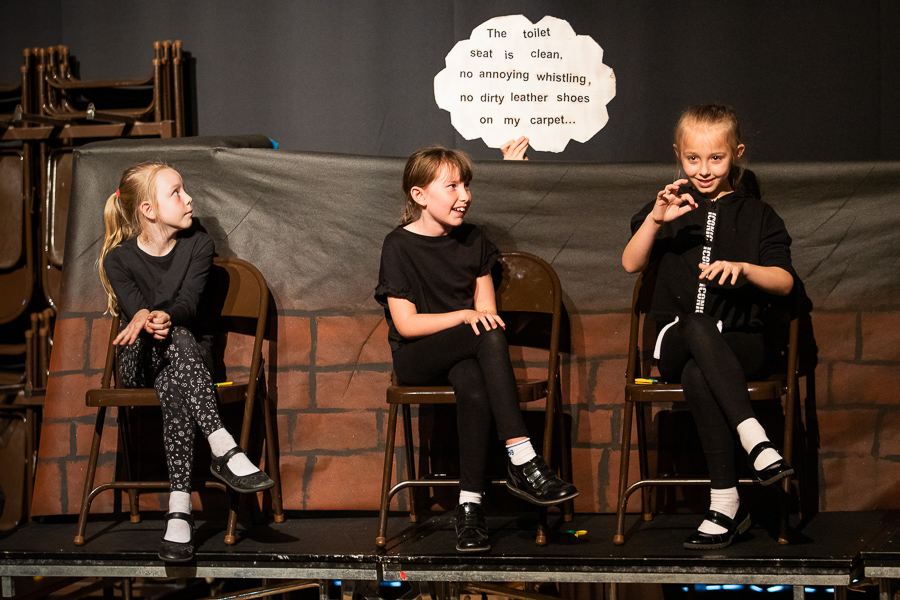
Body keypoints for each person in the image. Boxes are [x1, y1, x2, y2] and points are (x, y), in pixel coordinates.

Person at [375, 147, 577, 553]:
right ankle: (522, 456)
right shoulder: (398, 245)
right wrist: (463, 315)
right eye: (451, 185)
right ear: (420, 196)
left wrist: (473, 316)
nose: (464, 194)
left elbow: (488, 312)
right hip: (418, 357)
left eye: (466, 185)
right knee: (484, 332)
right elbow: (407, 325)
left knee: (473, 380)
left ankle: (469, 509)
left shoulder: (474, 241)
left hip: (464, 356)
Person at [621, 105, 795, 550]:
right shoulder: (669, 206)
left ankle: (724, 505)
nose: (703, 169)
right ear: (679, 154)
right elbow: (630, 263)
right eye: (692, 158)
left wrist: (745, 268)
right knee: (697, 327)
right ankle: (756, 439)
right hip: (675, 342)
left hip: (741, 342)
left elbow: (784, 281)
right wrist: (655, 220)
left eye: (715, 158)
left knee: (703, 372)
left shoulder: (758, 215)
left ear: (735, 154)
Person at [98, 162, 273, 563]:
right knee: (173, 342)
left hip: (189, 357)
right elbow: (136, 314)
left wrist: (158, 315)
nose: (188, 198)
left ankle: (179, 509)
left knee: (175, 365)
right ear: (148, 210)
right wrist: (145, 317)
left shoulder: (199, 244)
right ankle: (223, 447)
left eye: (184, 189)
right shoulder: (118, 260)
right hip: (139, 360)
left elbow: (188, 306)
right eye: (175, 192)